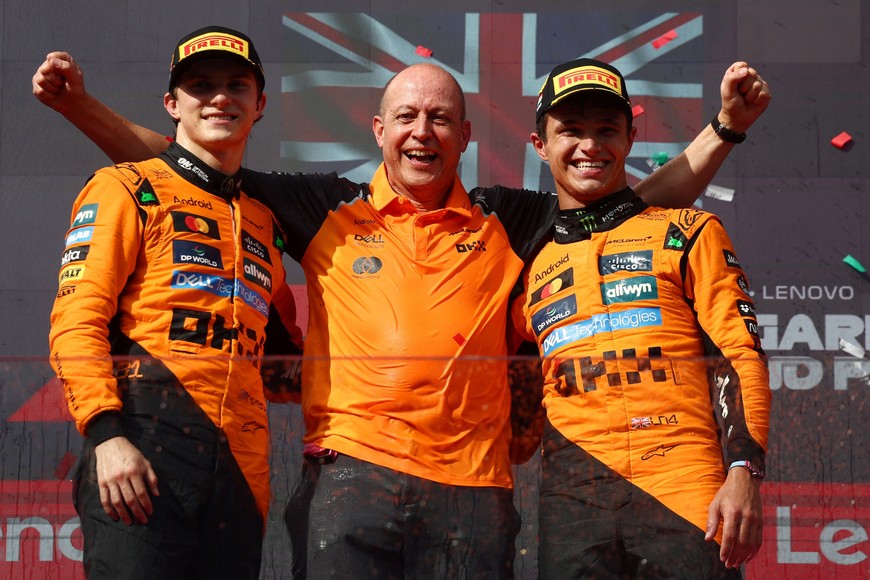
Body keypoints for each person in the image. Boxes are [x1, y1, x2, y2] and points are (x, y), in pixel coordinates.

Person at [34, 49, 769, 579]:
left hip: (475, 489)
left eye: (441, 118)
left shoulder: (509, 219)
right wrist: (77, 108)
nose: (423, 131)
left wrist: (724, 130)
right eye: (407, 116)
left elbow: (632, 205)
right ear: (378, 131)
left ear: (466, 139)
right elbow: (188, 159)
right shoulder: (324, 207)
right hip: (351, 480)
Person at [47, 26, 303, 580]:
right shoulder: (126, 188)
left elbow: (287, 363)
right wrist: (106, 435)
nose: (219, 98)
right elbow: (75, 321)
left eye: (237, 85)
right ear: (172, 104)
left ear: (259, 105)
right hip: (140, 448)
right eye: (199, 85)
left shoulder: (265, 223)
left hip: (242, 469)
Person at [510, 57, 771, 578]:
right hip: (571, 501)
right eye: (570, 131)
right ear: (540, 145)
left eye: (607, 130)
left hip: (684, 486)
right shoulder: (523, 261)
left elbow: (738, 355)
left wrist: (744, 470)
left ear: (630, 138)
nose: (590, 145)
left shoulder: (689, 230)